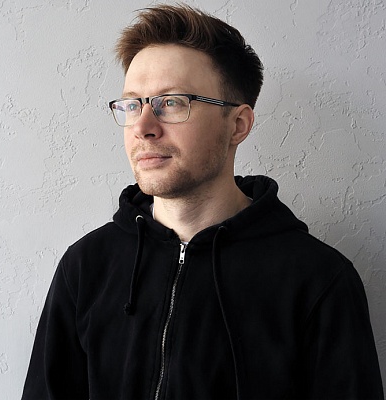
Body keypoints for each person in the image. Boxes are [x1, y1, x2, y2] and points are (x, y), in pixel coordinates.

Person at [22, 4, 384, 400]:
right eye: (132, 104)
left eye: (172, 102)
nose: (143, 127)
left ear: (238, 125)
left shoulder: (318, 280)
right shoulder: (86, 266)